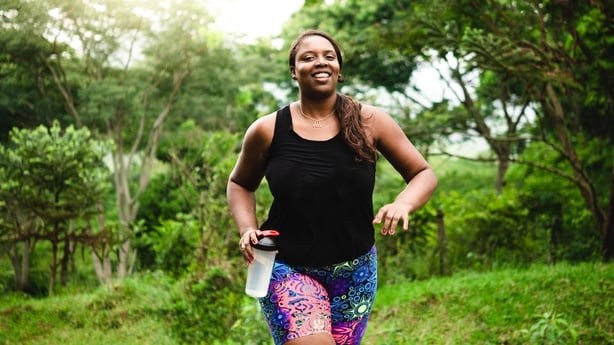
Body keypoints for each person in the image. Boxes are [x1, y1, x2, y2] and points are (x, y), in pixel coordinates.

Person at [227, 29, 438, 345]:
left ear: (339, 69)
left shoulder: (370, 121)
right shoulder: (267, 130)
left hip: (356, 272)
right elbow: (240, 183)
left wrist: (403, 203)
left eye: (328, 56)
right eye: (308, 57)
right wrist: (248, 228)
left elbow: (422, 173)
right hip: (286, 266)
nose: (320, 62)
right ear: (293, 72)